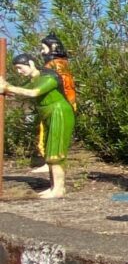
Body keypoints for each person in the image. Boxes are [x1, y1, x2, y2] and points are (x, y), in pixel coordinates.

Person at [0, 53, 75, 198]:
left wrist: (7, 86)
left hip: (59, 112)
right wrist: (7, 89)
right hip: (48, 114)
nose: (19, 71)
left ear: (31, 63)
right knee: (49, 150)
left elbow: (33, 93)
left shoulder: (48, 77)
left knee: (56, 151)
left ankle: (59, 189)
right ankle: (54, 186)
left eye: (20, 68)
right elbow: (21, 91)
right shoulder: (34, 79)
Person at [29, 33, 77, 174]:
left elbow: (63, 84)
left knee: (50, 132)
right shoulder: (58, 64)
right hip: (62, 101)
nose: (42, 51)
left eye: (44, 47)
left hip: (61, 102)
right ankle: (47, 160)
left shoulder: (56, 65)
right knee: (46, 130)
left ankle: (49, 160)